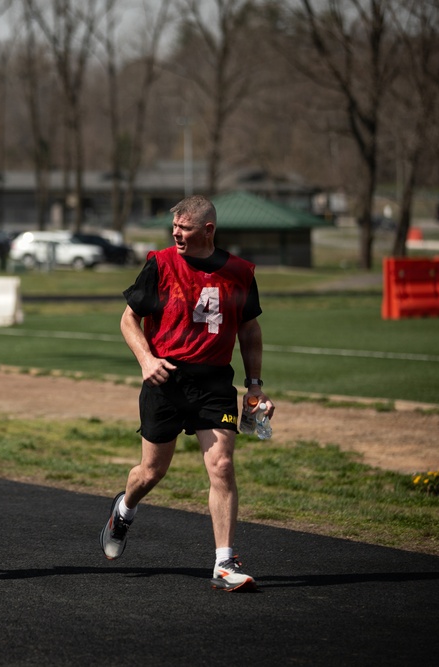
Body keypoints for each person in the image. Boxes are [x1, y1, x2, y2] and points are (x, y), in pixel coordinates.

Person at [99, 195, 274, 592]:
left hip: (214, 384)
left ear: (208, 230)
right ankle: (123, 512)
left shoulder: (240, 272)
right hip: (165, 380)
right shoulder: (160, 263)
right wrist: (147, 360)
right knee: (151, 472)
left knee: (222, 466)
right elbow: (129, 319)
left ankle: (224, 564)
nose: (176, 233)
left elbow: (249, 329)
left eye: (185, 228)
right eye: (174, 227)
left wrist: (255, 386)